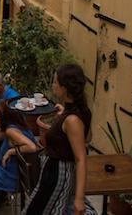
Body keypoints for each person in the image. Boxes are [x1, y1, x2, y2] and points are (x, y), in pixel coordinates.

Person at [23, 64, 92, 215]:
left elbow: (81, 158)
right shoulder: (79, 112)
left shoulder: (72, 120)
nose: (53, 85)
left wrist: (79, 199)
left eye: (55, 82)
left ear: (65, 88)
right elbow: (87, 137)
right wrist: (63, 117)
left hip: (59, 173)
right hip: (54, 171)